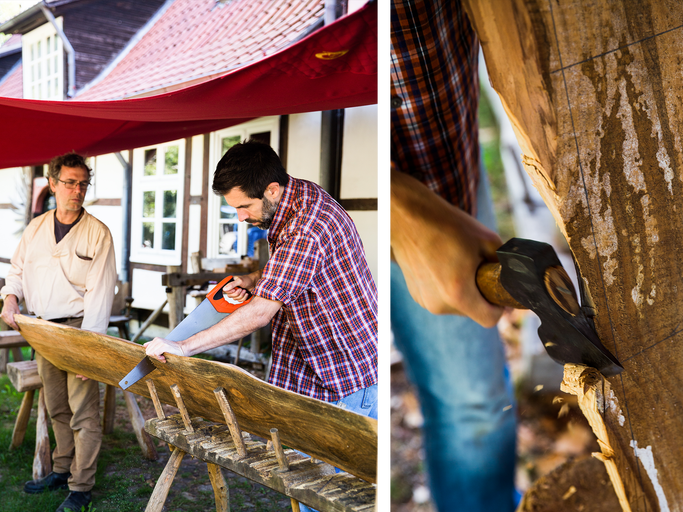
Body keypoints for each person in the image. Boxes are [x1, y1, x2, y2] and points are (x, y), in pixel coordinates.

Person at [143, 141, 379, 509]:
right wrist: (257, 278)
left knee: (333, 495)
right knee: (304, 480)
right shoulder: (294, 196)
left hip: (344, 375)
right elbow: (295, 268)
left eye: (243, 207)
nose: (239, 216)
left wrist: (183, 347)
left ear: (271, 189)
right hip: (315, 365)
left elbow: (259, 314)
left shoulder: (306, 226)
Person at [389, 0, 519, 510]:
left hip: (449, 152)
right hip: (403, 207)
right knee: (471, 406)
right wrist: (400, 208)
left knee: (481, 401)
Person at [1, 153, 117, 512]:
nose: (77, 190)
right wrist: (10, 299)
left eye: (83, 183)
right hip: (42, 329)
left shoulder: (98, 233)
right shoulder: (35, 228)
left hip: (80, 329)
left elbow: (101, 294)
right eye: (69, 182)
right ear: (52, 184)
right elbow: (17, 270)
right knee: (56, 407)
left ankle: (81, 487)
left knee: (83, 412)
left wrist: (90, 350)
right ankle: (63, 467)